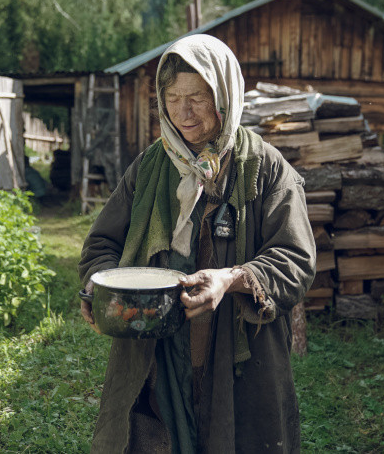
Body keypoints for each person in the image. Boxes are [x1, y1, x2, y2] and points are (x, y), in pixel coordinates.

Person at [78, 34, 316, 453]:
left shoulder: (266, 168)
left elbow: (294, 260)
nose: (183, 113)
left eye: (197, 98)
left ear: (224, 96)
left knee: (237, 436)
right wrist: (97, 287)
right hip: (156, 351)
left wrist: (231, 279)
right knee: (153, 434)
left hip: (238, 355)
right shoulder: (151, 166)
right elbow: (103, 243)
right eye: (172, 98)